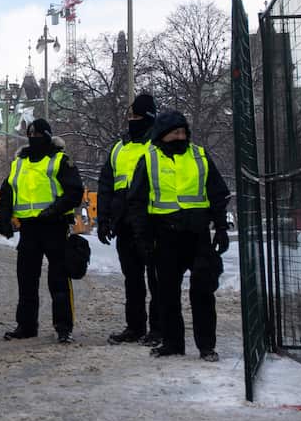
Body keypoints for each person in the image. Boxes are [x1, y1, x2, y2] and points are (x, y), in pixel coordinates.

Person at [126, 110, 232, 361]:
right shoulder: (149, 159)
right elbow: (137, 201)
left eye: (183, 132)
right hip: (165, 236)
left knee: (203, 291)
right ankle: (173, 343)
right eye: (175, 132)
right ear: (163, 134)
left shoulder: (200, 156)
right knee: (166, 294)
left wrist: (221, 228)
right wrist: (142, 238)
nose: (180, 136)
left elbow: (217, 194)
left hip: (197, 235)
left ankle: (206, 346)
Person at [0, 118, 84, 344]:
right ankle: (26, 326)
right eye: (31, 135)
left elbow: (74, 192)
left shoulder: (60, 161)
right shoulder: (19, 163)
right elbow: (7, 192)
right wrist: (4, 218)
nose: (34, 138)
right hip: (29, 229)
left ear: (47, 136)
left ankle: (64, 327)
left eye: (38, 134)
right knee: (26, 280)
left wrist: (55, 210)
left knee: (59, 280)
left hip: (55, 227)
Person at [96, 93, 162, 345]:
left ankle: (158, 328)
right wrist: (103, 219)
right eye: (130, 116)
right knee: (132, 279)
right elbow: (106, 184)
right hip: (124, 222)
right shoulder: (119, 147)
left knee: (156, 278)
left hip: (152, 221)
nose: (131, 121)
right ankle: (135, 327)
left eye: (136, 116)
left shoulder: (157, 145)